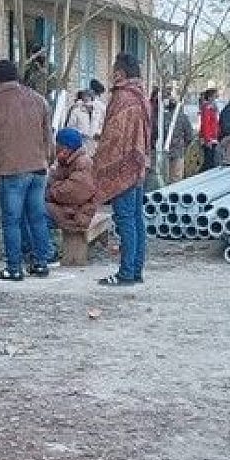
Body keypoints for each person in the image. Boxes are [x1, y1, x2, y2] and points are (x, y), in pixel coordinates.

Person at [0, 60, 54, 281]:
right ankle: (41, 263)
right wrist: (46, 160)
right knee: (38, 218)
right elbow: (48, 136)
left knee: (11, 221)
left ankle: (14, 268)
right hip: (38, 169)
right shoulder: (39, 100)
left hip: (11, 171)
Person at [93, 53, 150, 286]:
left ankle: (126, 273)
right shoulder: (142, 97)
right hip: (138, 165)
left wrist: (99, 163)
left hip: (122, 169)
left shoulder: (122, 98)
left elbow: (113, 137)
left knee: (125, 219)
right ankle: (135, 270)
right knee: (136, 220)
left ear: (120, 73)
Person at [46, 128, 97, 233]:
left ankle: (36, 247)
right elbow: (53, 180)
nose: (55, 148)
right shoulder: (67, 161)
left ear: (65, 148)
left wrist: (50, 191)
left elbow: (68, 193)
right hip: (70, 209)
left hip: (77, 215)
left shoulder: (83, 163)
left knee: (34, 209)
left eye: (57, 145)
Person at [161, 98, 194, 182]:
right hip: (178, 150)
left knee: (164, 178)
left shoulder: (162, 117)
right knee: (176, 178)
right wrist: (186, 145)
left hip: (163, 151)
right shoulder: (183, 117)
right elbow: (189, 135)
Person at [198, 88, 220, 171]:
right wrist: (207, 140)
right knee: (209, 161)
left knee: (211, 159)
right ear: (210, 97)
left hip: (213, 137)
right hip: (209, 138)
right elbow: (206, 125)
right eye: (215, 96)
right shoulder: (207, 108)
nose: (216, 98)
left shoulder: (213, 108)